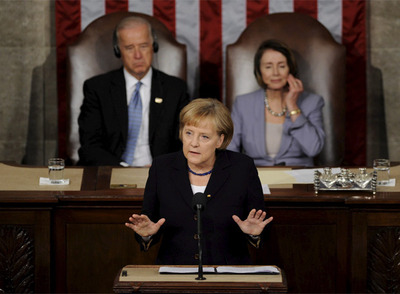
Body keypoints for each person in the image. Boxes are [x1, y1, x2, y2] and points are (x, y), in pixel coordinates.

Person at [125, 98, 273, 265]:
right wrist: (146, 234)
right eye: (189, 133)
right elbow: (149, 222)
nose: (193, 143)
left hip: (228, 271)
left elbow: (261, 224)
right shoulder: (162, 167)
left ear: (220, 140)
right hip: (175, 270)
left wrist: (254, 233)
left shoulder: (241, 168)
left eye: (204, 137)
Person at [78, 16, 190, 166]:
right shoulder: (97, 89)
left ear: (153, 46)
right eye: (130, 48)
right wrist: (123, 170)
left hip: (160, 173)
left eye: (143, 46)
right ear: (118, 50)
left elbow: (186, 143)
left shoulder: (175, 90)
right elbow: (90, 146)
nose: (138, 55)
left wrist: (161, 167)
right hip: (112, 172)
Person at [228, 39, 325, 167]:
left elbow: (313, 149)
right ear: (259, 71)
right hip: (255, 178)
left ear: (290, 69)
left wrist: (293, 106)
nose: (275, 73)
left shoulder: (312, 102)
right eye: (268, 66)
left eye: (281, 66)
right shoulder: (243, 104)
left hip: (298, 178)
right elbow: (230, 150)